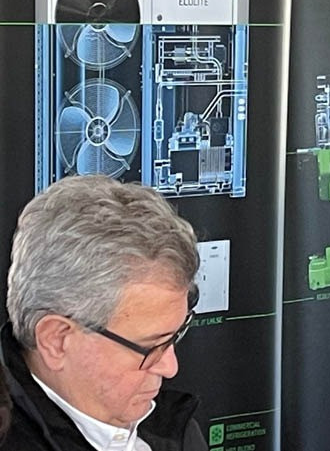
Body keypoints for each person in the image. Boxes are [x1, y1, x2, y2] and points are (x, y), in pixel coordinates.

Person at [0, 175, 206, 451]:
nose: (170, 367)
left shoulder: (173, 428)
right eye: (150, 347)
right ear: (57, 340)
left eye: (174, 336)